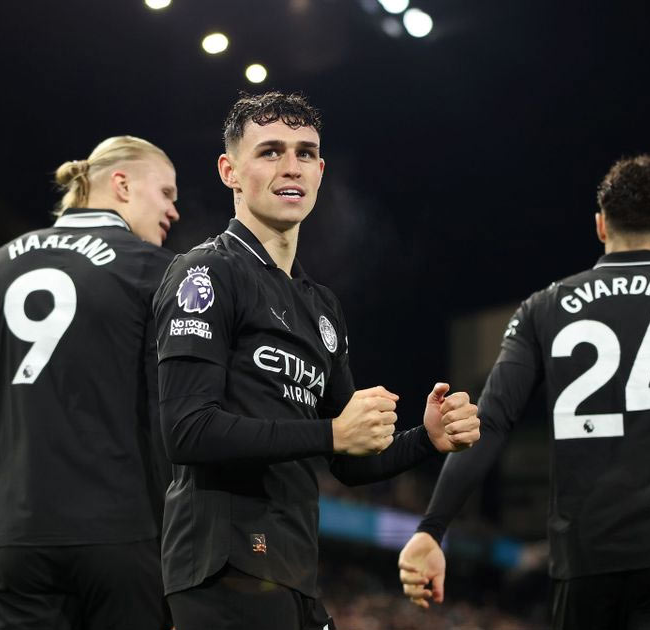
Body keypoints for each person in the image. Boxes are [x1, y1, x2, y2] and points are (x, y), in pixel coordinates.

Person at [398, 155, 650, 629]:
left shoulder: (543, 307)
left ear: (600, 225)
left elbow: (489, 424)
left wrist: (432, 528)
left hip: (584, 564)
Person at [152, 91, 482, 630]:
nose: (292, 167)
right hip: (223, 568)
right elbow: (188, 431)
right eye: (270, 152)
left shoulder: (320, 306)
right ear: (229, 171)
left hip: (295, 572)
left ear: (320, 172)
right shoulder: (207, 272)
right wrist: (330, 433)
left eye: (305, 153)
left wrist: (426, 437)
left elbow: (351, 462)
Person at [0, 135, 180, 629]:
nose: (174, 210)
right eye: (166, 193)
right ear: (122, 185)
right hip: (123, 535)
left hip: (19, 535)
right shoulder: (155, 270)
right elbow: (167, 414)